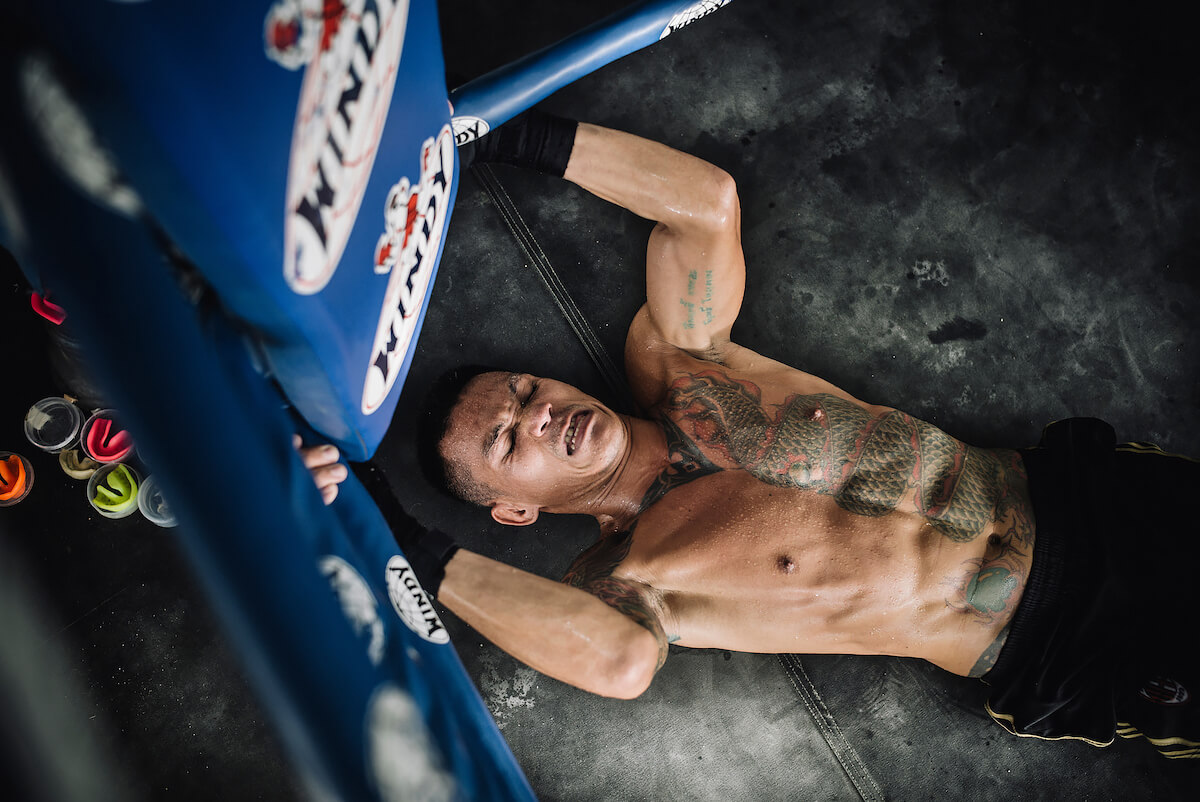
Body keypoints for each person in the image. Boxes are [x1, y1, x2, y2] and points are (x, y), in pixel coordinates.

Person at [304, 113, 1199, 757]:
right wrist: (407, 548)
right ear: (512, 512)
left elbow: (705, 203)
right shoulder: (632, 580)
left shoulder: (687, 364)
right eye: (509, 443)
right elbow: (618, 666)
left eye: (527, 391)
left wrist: (479, 129)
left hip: (1091, 497)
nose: (537, 413)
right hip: (1061, 639)